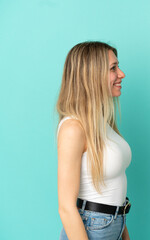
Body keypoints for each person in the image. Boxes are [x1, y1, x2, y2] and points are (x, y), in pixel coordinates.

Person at [57, 41, 131, 240]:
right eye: (113, 68)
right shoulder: (73, 127)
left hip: (114, 223)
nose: (121, 74)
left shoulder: (102, 121)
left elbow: (113, 188)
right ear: (91, 75)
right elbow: (66, 207)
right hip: (91, 229)